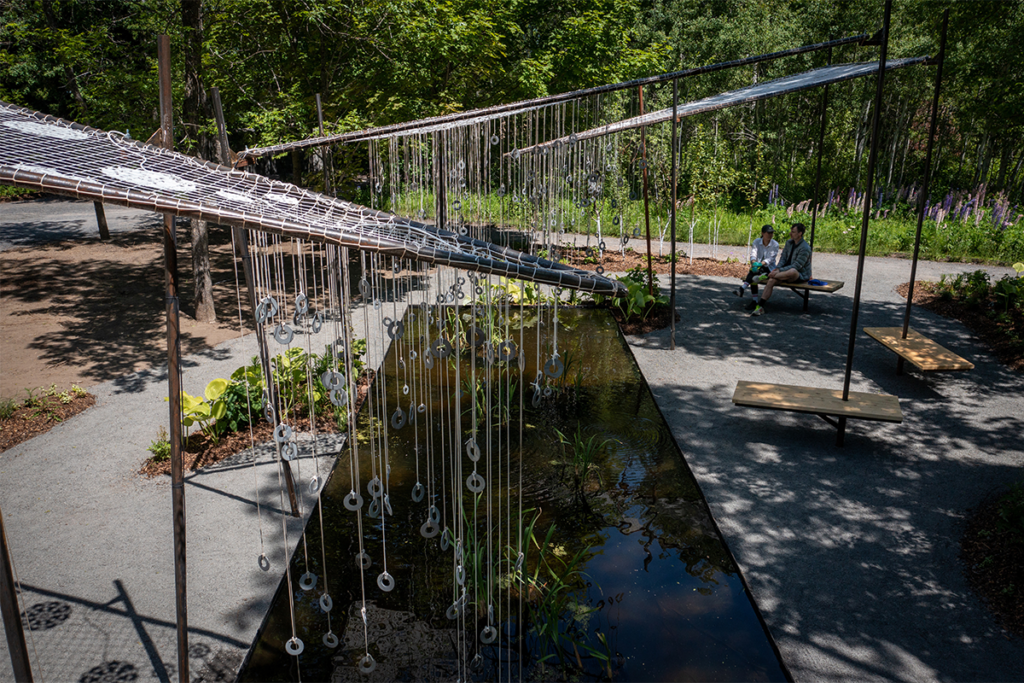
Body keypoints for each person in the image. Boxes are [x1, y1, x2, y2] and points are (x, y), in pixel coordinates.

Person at [745, 222, 811, 316]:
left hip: (799, 275)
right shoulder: (789, 243)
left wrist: (777, 271)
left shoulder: (805, 248)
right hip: (783, 273)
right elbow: (783, 258)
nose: (790, 233)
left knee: (792, 271)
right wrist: (778, 269)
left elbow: (797, 266)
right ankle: (759, 307)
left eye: (793, 232)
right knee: (771, 280)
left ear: (800, 233)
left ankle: (766, 276)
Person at [735, 224, 779, 298]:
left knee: (753, 273)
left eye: (771, 233)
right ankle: (752, 298)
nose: (770, 235)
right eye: (768, 233)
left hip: (769, 269)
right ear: (762, 233)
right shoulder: (757, 241)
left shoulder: (775, 244)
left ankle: (743, 289)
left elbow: (771, 258)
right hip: (758, 268)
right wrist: (753, 263)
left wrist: (759, 264)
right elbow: (753, 253)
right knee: (754, 275)